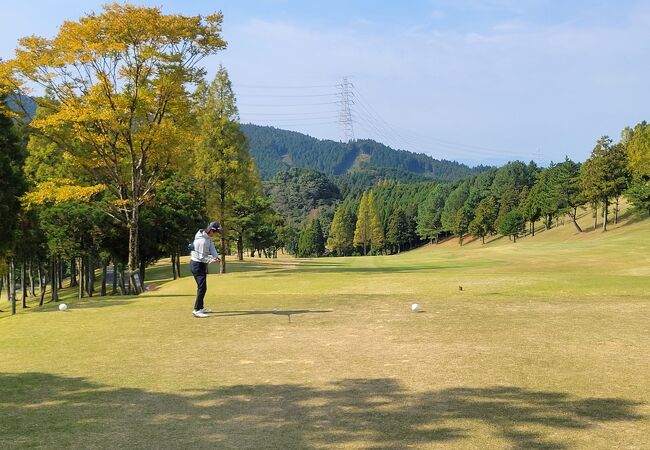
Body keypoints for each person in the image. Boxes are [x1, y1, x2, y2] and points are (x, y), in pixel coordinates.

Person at [189, 221, 221, 318]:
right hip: (197, 265)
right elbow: (202, 257)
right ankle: (196, 310)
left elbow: (212, 248)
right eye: (215, 232)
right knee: (202, 287)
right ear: (211, 231)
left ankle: (201, 307)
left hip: (201, 264)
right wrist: (212, 261)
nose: (216, 235)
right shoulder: (201, 241)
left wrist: (216, 256)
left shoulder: (208, 238)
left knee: (202, 287)